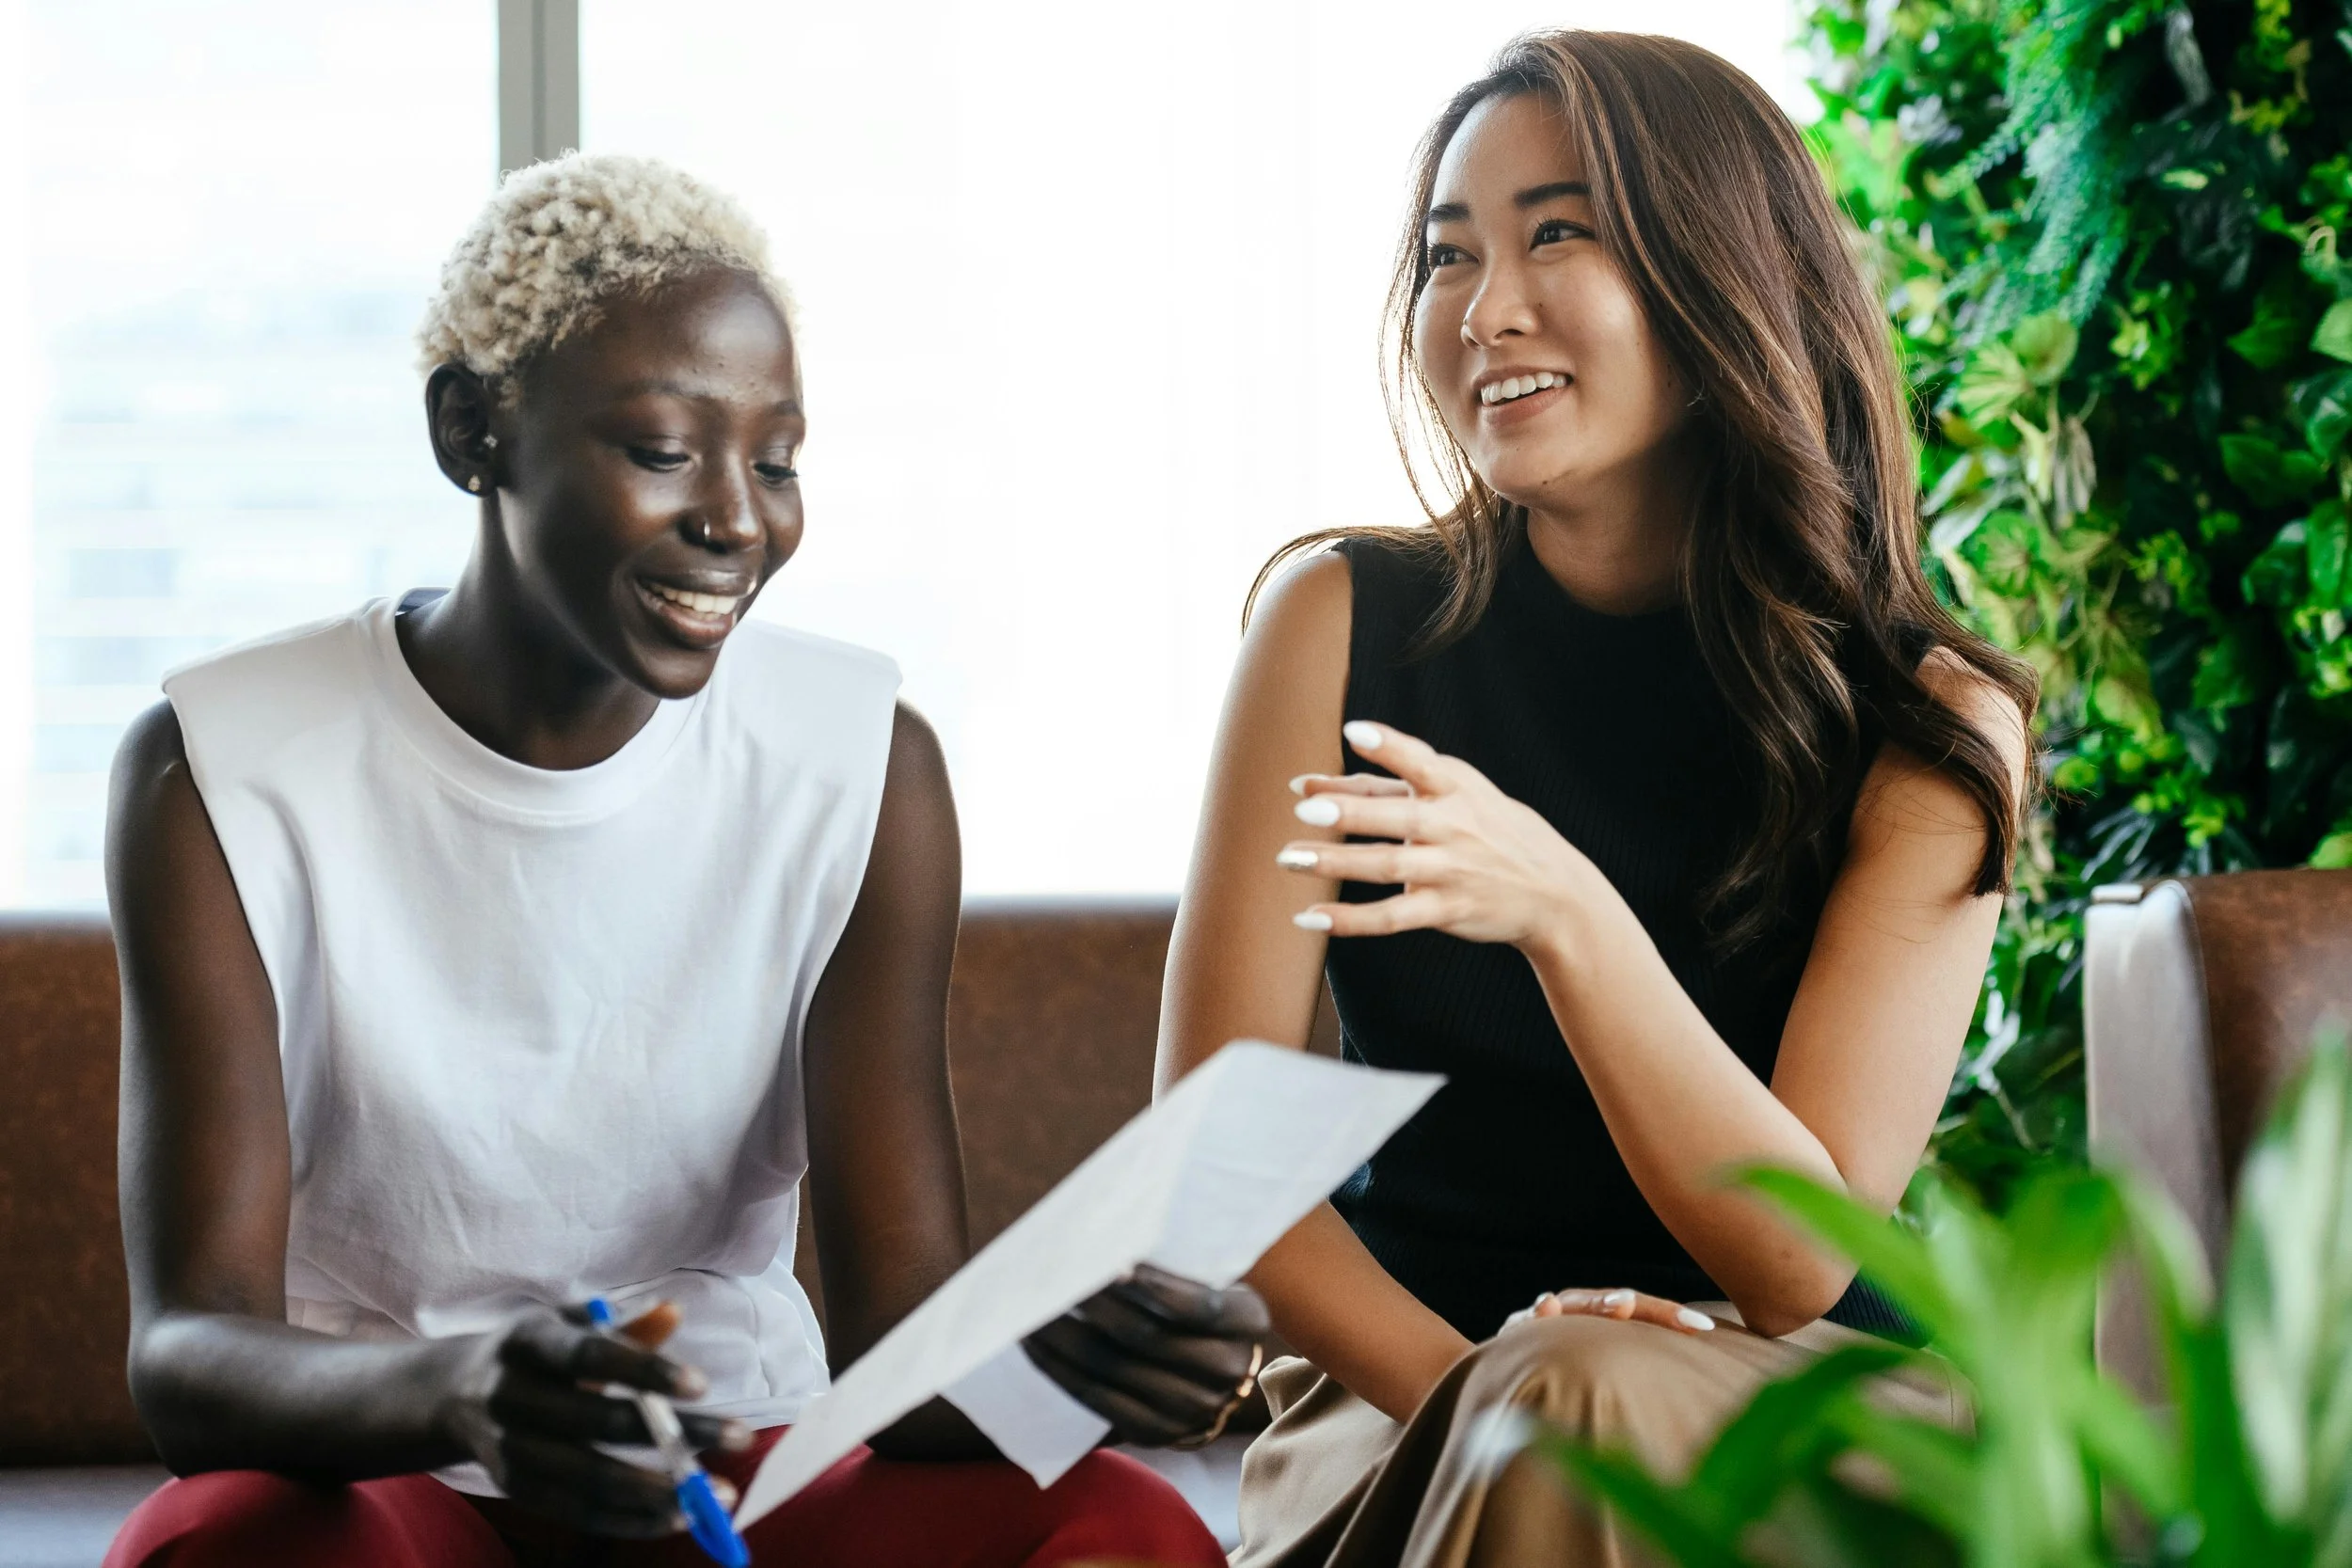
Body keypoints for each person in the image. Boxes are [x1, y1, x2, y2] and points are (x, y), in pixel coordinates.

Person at [103, 152, 1261, 1568]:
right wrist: (460, 1391)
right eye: (663, 450)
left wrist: (1076, 1358)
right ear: (473, 432)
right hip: (400, 1463)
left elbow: (904, 1331)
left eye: (776, 460)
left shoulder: (862, 764)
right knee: (220, 1546)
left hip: (742, 1466)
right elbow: (187, 1354)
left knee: (1118, 1528)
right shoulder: (217, 765)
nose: (738, 519)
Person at [1156, 30, 2031, 1568]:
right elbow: (1214, 1160)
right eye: (1447, 255)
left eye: (1558, 232)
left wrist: (1564, 910)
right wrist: (1490, 1409)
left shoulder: (1927, 721)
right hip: (1408, 1383)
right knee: (1556, 1409)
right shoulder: (1341, 624)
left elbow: (1793, 1259)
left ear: (1722, 277)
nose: (1484, 309)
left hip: (1800, 1392)